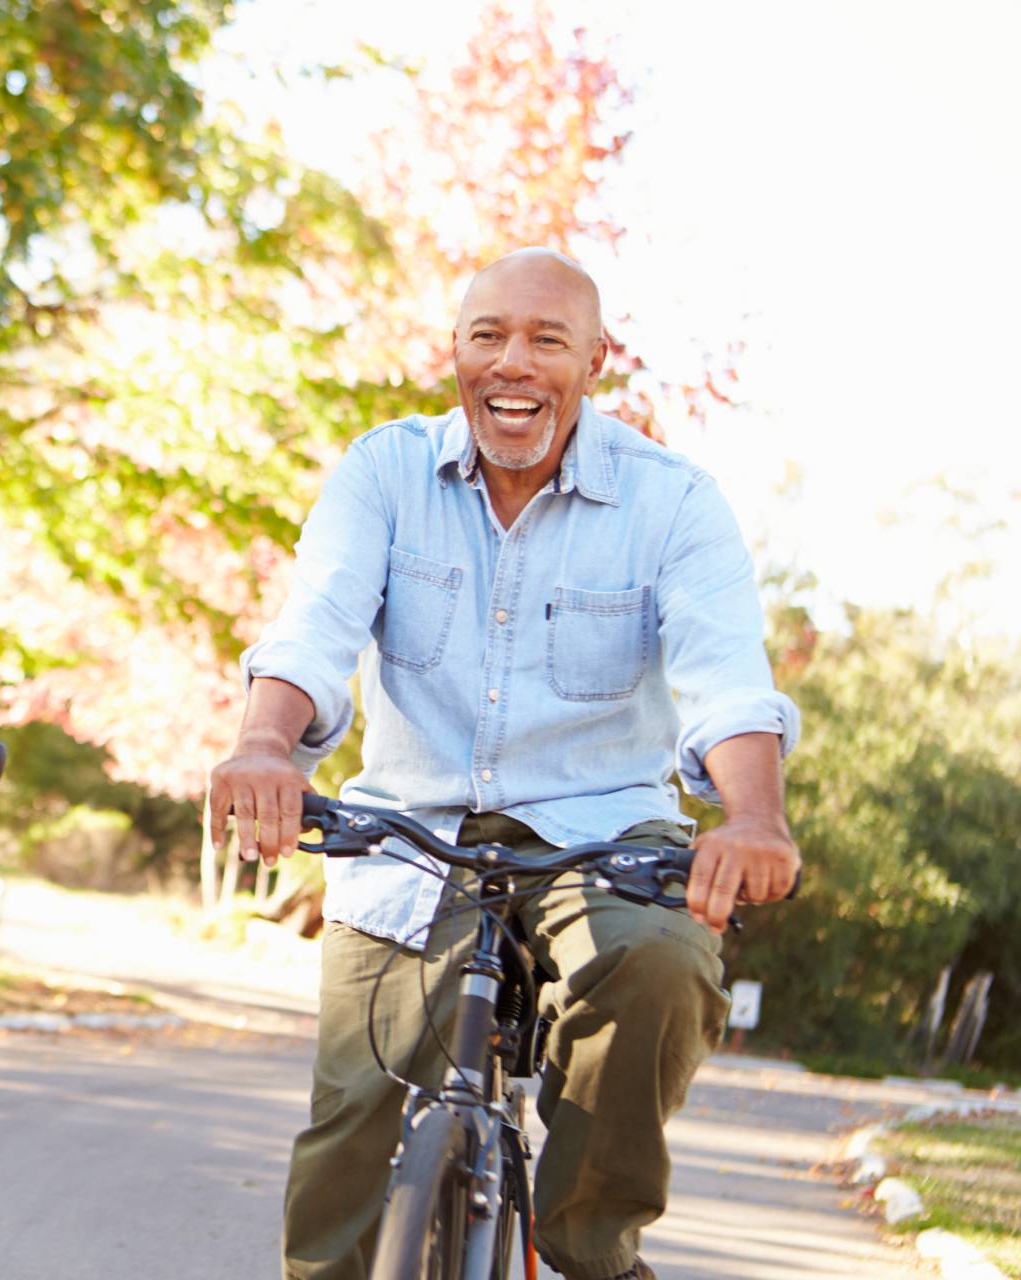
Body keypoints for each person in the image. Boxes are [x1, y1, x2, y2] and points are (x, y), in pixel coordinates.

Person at [208, 248, 801, 1280]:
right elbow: (315, 626)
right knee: (353, 1127)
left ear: (597, 360)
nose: (512, 363)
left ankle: (588, 1244)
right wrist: (264, 743)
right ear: (454, 351)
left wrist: (753, 815)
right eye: (487, 336)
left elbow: (727, 680)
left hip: (604, 832)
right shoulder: (385, 471)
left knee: (661, 963)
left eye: (547, 339)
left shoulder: (671, 503)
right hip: (413, 830)